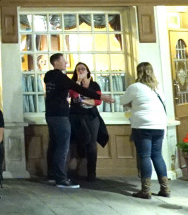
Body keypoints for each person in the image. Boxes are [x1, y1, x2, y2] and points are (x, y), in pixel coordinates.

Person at [44, 53, 112, 189]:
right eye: (64, 61)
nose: (66, 63)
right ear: (56, 62)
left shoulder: (48, 76)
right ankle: (61, 179)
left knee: (54, 145)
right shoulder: (60, 77)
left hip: (50, 114)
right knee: (62, 147)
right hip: (61, 115)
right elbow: (78, 89)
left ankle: (53, 175)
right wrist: (101, 97)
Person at [121, 62, 169, 199]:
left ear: (138, 72)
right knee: (157, 155)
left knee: (145, 156)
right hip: (159, 125)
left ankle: (146, 190)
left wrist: (132, 103)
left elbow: (123, 100)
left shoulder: (135, 87)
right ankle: (165, 188)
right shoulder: (157, 88)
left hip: (142, 126)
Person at [68, 62, 103, 182]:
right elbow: (73, 96)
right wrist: (78, 81)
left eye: (83, 69)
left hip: (91, 116)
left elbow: (97, 101)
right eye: (78, 69)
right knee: (76, 143)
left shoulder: (94, 85)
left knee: (92, 144)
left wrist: (83, 101)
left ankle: (91, 173)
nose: (81, 71)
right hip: (76, 116)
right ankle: (73, 172)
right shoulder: (74, 83)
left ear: (87, 71)